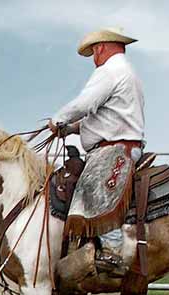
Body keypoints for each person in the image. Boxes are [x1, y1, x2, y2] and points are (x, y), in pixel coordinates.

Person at [49, 27, 146, 250]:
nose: (94, 58)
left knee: (93, 197)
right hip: (123, 144)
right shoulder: (127, 72)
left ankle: (111, 252)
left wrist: (58, 120)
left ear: (100, 47)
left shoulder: (109, 71)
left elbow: (84, 104)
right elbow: (109, 117)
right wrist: (74, 129)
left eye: (93, 52)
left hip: (112, 150)